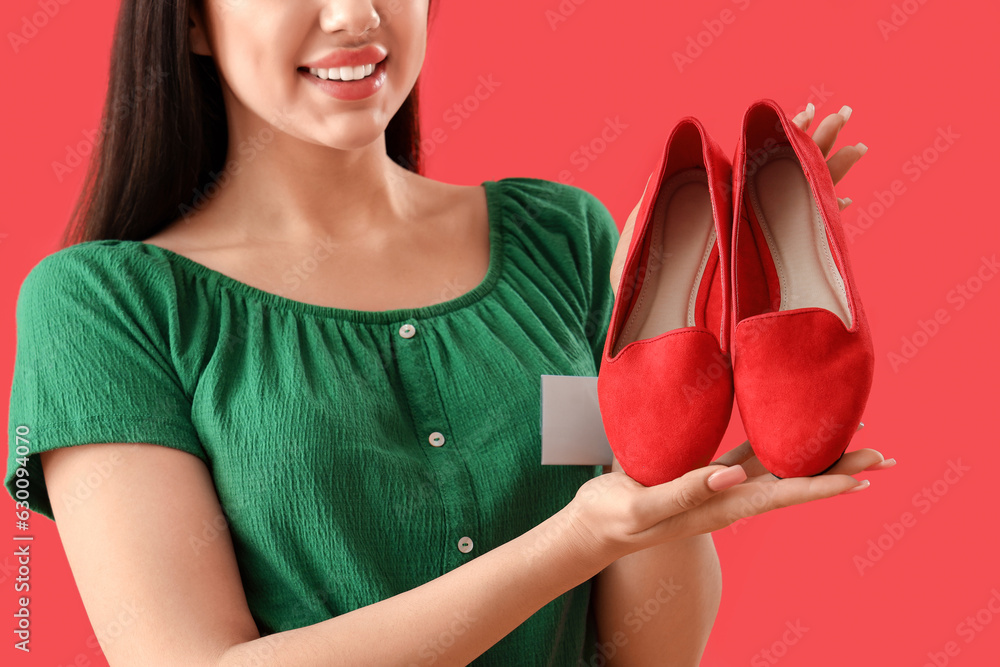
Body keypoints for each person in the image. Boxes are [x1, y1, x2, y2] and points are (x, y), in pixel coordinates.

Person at [4, 0, 893, 665]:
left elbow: (646, 652)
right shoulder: (102, 306)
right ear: (190, 21)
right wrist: (584, 536)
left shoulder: (560, 244)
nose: (355, 15)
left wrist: (657, 456)